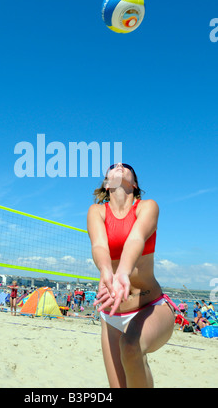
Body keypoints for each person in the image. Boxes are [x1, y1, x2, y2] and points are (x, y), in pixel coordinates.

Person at [87, 163, 175, 388]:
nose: (119, 165)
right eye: (113, 167)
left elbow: (136, 238)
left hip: (150, 306)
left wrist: (122, 273)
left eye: (125, 167)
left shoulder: (147, 206)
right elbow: (99, 246)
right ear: (107, 184)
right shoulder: (96, 211)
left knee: (131, 345)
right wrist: (107, 272)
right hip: (111, 314)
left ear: (134, 184)